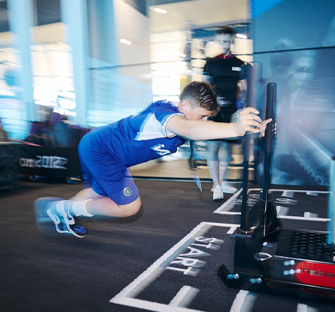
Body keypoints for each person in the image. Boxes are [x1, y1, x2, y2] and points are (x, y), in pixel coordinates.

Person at [34, 82, 270, 238]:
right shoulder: (167, 116)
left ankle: (64, 214)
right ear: (185, 105)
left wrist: (251, 130)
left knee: (98, 195)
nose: (204, 122)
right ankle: (62, 208)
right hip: (102, 151)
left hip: (100, 148)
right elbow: (191, 128)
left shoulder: (181, 119)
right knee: (129, 207)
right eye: (202, 116)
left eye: (207, 118)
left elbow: (202, 130)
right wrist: (236, 128)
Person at [202, 25, 247, 201]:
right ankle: (217, 186)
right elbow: (204, 88)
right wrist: (211, 104)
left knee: (228, 148)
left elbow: (244, 89)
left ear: (232, 40)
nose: (223, 43)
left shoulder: (239, 64)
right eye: (220, 41)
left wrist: (244, 108)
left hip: (231, 111)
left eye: (226, 40)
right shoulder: (211, 63)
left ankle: (223, 181)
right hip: (214, 110)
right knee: (213, 147)